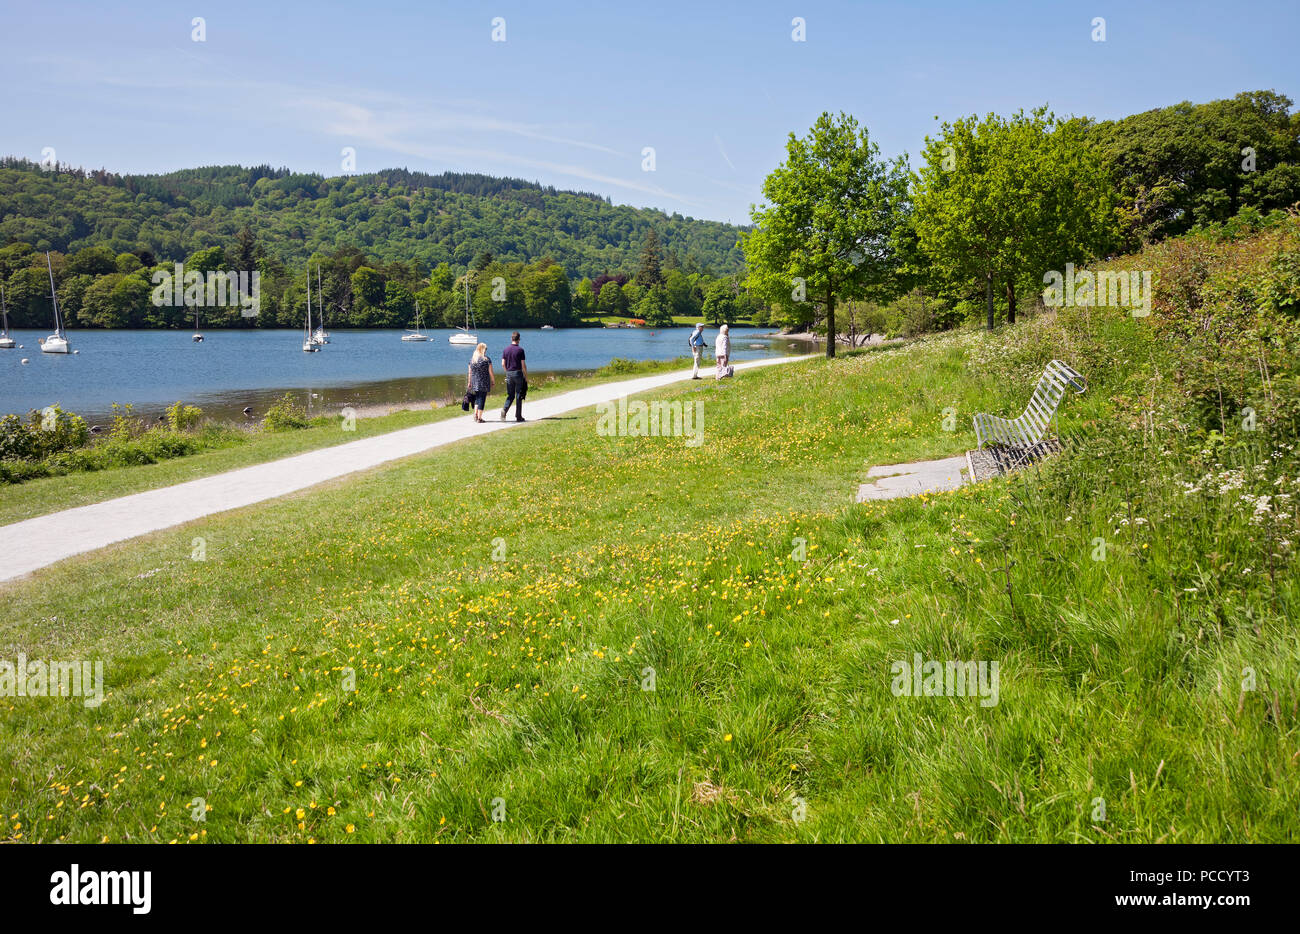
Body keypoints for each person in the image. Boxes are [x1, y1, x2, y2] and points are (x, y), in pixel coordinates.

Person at [500, 331, 528, 422]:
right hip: (518, 373)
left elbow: (503, 364)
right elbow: (523, 365)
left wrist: (507, 372)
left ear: (511, 339)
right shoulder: (520, 350)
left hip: (509, 373)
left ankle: (504, 410)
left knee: (510, 395)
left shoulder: (505, 349)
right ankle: (518, 416)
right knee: (518, 395)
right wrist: (526, 376)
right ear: (519, 339)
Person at [466, 342, 495, 423]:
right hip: (484, 382)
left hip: (475, 382)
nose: (486, 351)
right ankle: (479, 418)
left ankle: (475, 415)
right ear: (483, 350)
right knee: (482, 399)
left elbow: (470, 373)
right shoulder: (486, 359)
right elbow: (491, 371)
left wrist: (469, 382)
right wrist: (493, 380)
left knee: (477, 398)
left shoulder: (472, 360)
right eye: (485, 349)